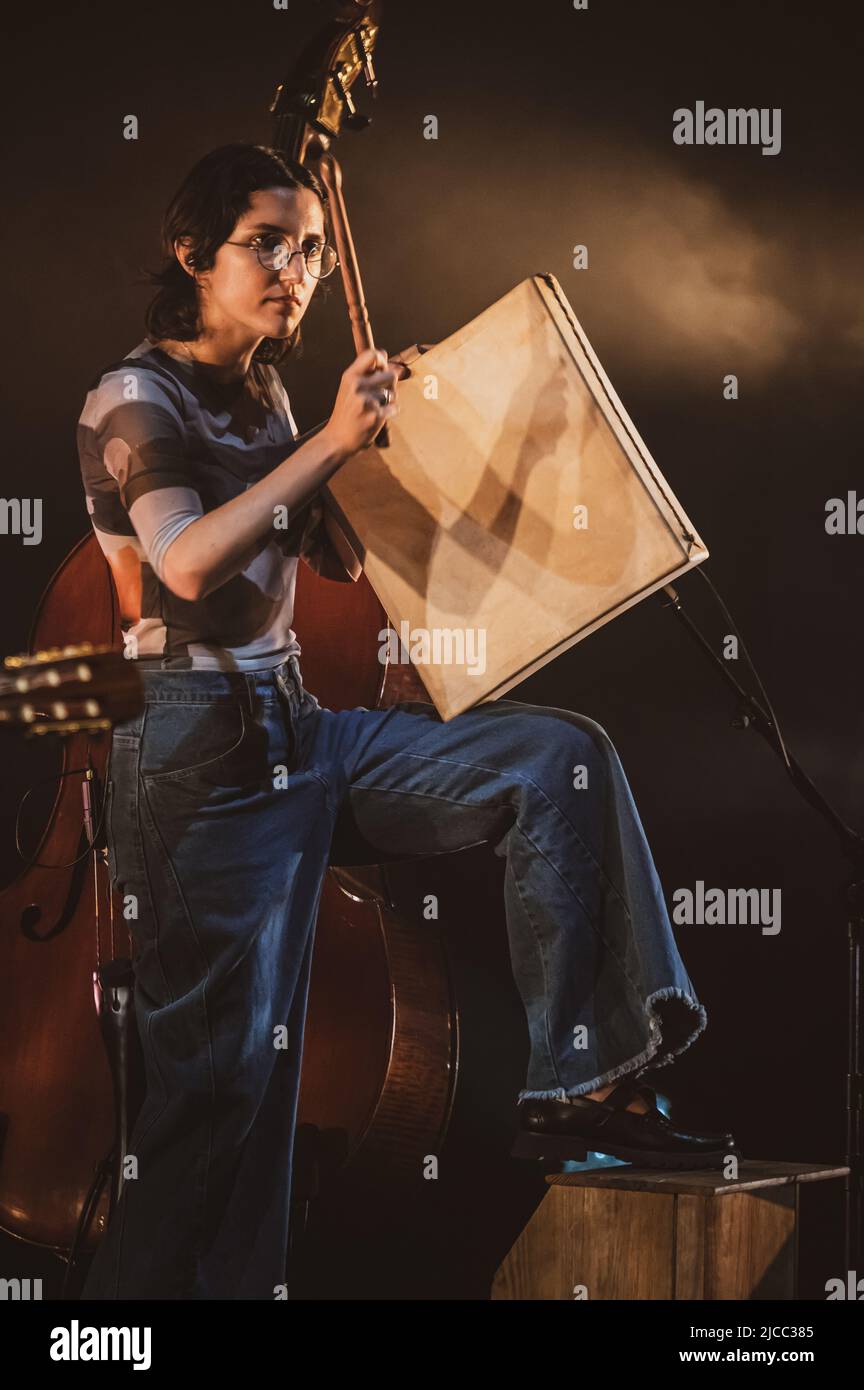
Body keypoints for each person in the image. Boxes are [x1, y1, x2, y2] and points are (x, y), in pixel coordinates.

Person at [76, 142, 737, 1301]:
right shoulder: (137, 395)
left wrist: (418, 431)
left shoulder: (272, 390)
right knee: (221, 1107)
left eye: (313, 249)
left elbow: (324, 550)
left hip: (295, 727)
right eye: (269, 244)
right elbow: (184, 564)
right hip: (195, 758)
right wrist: (329, 443)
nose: (298, 270)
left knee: (557, 759)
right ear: (194, 253)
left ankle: (579, 1078)